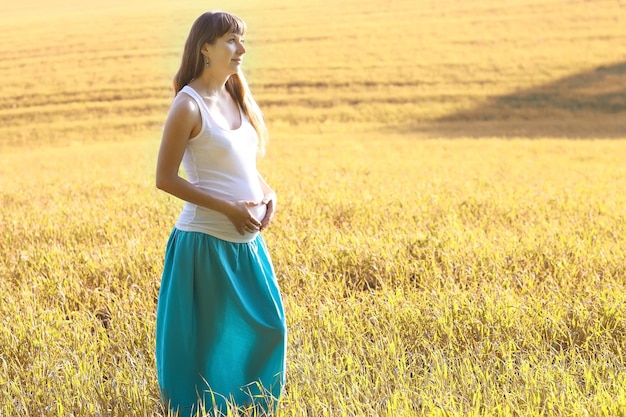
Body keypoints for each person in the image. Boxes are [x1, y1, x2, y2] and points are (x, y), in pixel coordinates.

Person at [154, 11, 286, 416]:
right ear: (205, 48)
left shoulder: (234, 94)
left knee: (270, 328)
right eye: (231, 40)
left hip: (247, 241)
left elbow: (242, 167)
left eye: (241, 39)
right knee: (207, 345)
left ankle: (251, 408)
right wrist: (228, 208)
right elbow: (165, 178)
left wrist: (268, 194)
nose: (241, 49)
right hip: (205, 243)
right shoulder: (187, 105)